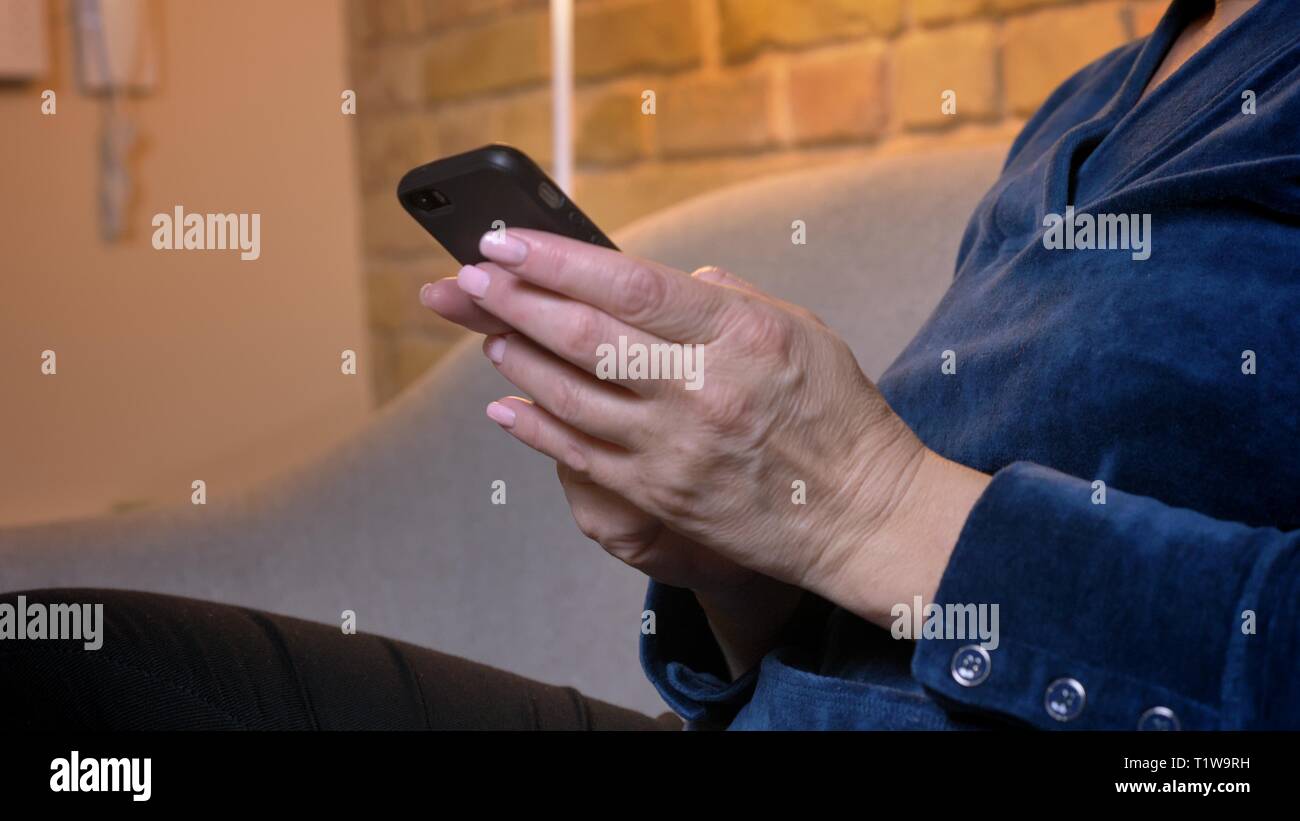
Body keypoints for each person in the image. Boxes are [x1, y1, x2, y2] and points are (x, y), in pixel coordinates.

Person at [3, 0, 1295, 730]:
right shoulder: (1092, 101)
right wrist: (730, 561)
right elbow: (877, 614)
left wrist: (865, 498)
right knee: (62, 664)